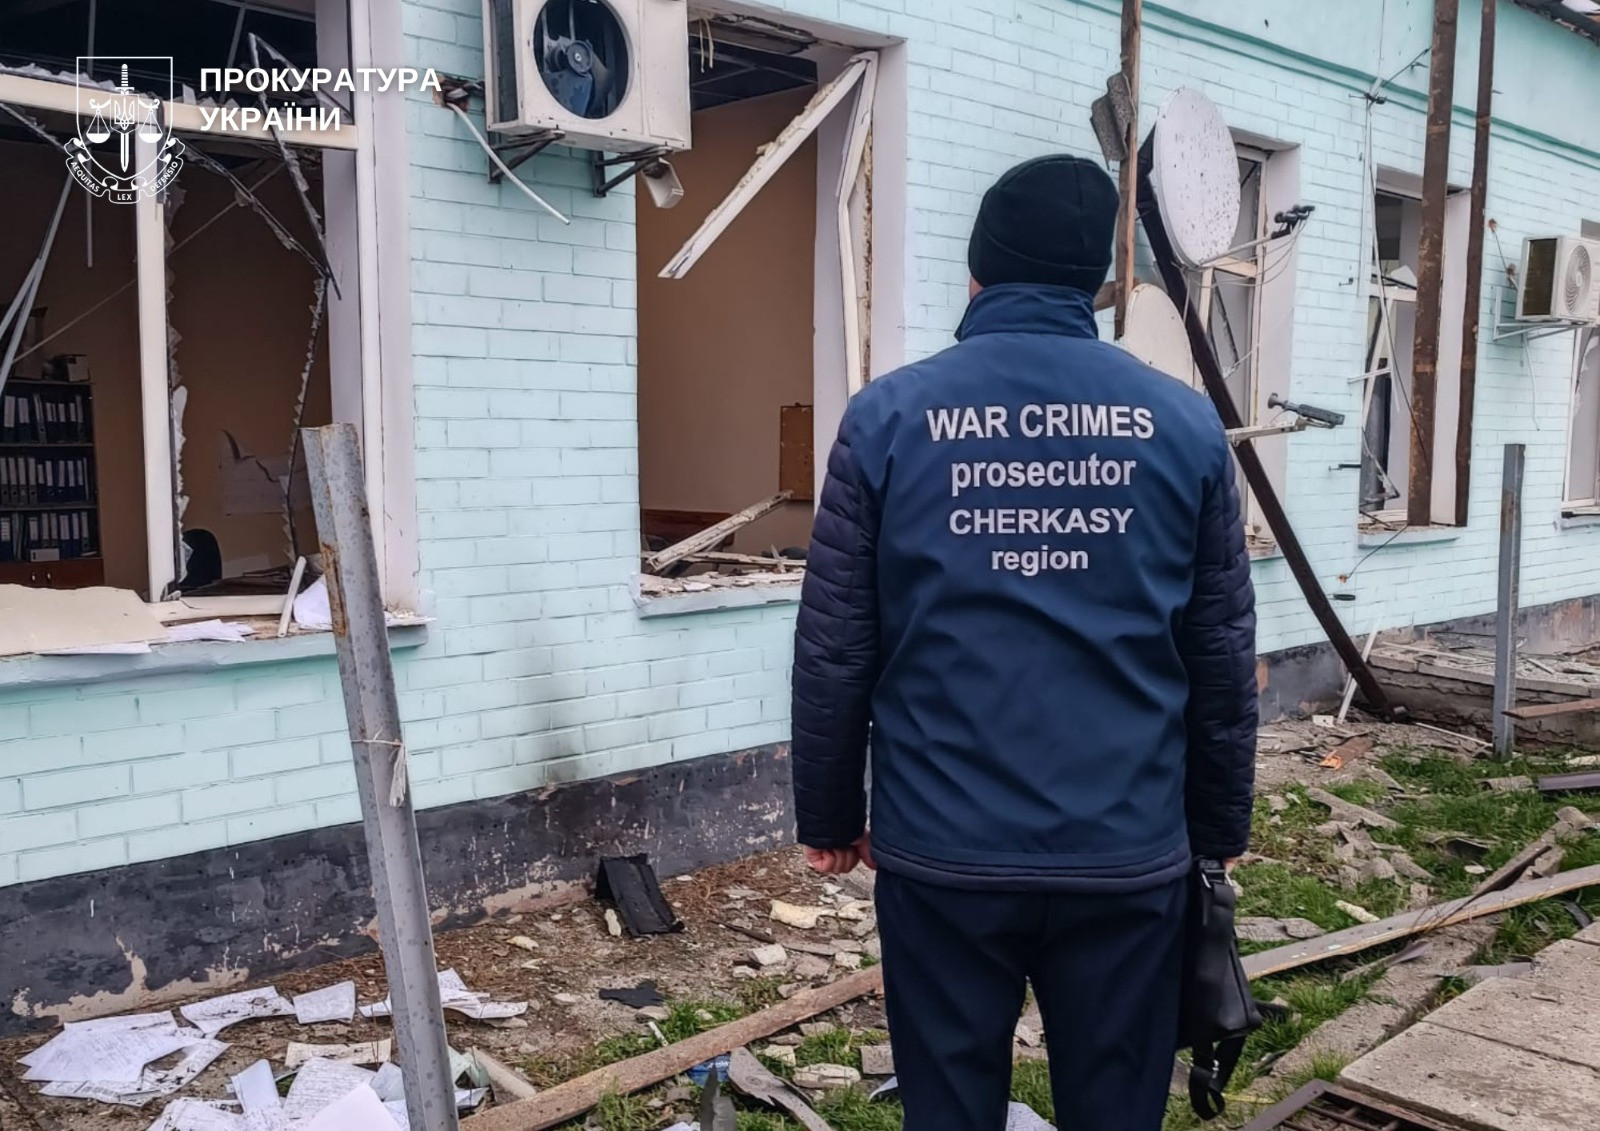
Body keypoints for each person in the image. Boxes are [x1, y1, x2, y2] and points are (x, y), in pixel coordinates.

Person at [790, 154, 1258, 1131]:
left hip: (943, 851)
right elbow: (1218, 654)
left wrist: (830, 815)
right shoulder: (1185, 426)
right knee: (1116, 1107)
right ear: (1098, 283)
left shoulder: (888, 419)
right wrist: (1215, 831)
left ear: (978, 272)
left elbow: (836, 643)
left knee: (948, 1107)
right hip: (1125, 850)